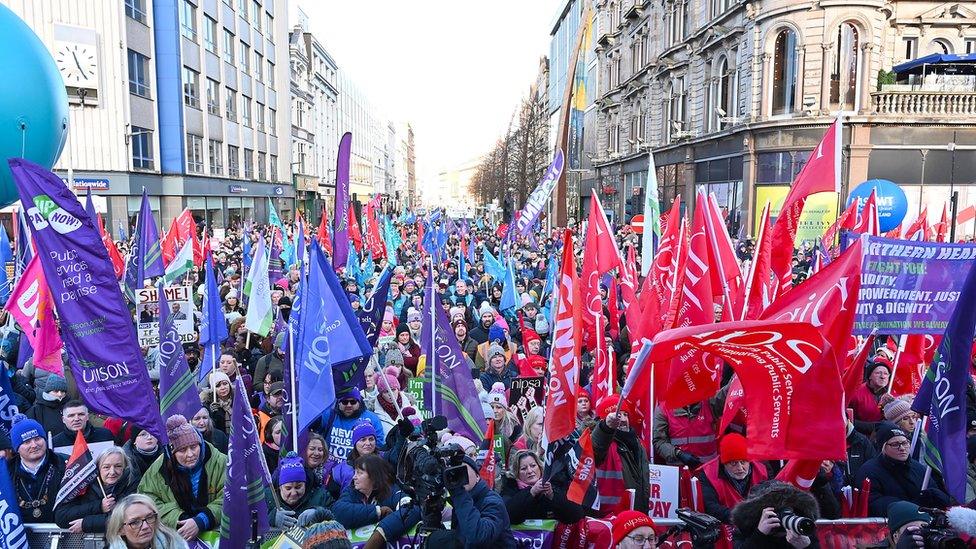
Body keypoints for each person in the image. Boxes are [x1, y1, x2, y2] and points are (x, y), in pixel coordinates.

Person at [139, 415, 227, 541]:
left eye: (194, 447)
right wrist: (179, 519)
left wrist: (202, 520)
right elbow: (147, 499)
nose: (190, 454)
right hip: (176, 535)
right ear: (172, 453)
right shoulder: (159, 468)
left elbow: (231, 496)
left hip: (218, 533)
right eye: (182, 450)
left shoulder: (220, 462)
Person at [855, 423, 951, 516]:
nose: (902, 448)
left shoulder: (918, 468)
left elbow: (935, 492)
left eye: (905, 443)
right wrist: (912, 506)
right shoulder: (869, 471)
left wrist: (937, 497)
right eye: (895, 444)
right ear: (883, 447)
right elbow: (873, 503)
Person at [56, 446, 142, 533]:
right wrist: (99, 506)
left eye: (118, 466)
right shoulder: (84, 483)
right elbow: (61, 517)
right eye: (106, 467)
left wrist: (86, 524)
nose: (112, 472)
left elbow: (128, 518)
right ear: (98, 468)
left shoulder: (132, 483)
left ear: (125, 467)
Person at [698, 433, 769, 539]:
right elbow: (711, 507)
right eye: (733, 463)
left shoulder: (763, 470)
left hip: (758, 527)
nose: (740, 468)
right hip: (724, 530)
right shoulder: (708, 474)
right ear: (724, 463)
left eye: (743, 462)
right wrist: (743, 517)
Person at [592, 395, 650, 515]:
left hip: (635, 514)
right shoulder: (603, 442)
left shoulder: (638, 444)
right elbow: (596, 449)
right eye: (618, 415)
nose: (623, 419)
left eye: (625, 414)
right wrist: (605, 429)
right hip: (608, 518)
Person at [7, 414, 66, 523]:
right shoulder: (6, 472)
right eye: (26, 442)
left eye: (37, 439)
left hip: (62, 533)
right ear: (17, 448)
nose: (34, 445)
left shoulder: (64, 463)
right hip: (21, 536)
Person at [500, 449, 585, 525]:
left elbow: (576, 515)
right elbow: (507, 515)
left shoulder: (556, 482)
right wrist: (531, 492)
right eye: (523, 469)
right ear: (516, 473)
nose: (530, 471)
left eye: (533, 466)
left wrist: (552, 495)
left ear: (540, 467)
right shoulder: (510, 487)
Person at [730, 480, 820, 548]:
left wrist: (807, 546)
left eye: (787, 509)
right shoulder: (746, 527)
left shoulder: (801, 525)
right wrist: (760, 534)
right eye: (777, 511)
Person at [268, 453, 336, 530]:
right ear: (280, 487)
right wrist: (271, 518)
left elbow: (337, 518)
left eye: (298, 487)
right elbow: (253, 520)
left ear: (305, 484)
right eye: (288, 488)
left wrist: (319, 513)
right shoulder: (267, 496)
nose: (293, 493)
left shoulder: (321, 497)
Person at [318, 387, 385, 464]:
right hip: (328, 470)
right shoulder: (329, 415)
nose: (349, 405)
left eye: (353, 402)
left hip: (359, 469)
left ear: (359, 402)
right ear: (338, 402)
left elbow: (379, 446)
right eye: (344, 402)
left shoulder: (372, 418)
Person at [105, 494, 188, 549]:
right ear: (120, 529)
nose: (145, 526)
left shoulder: (175, 543)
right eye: (135, 522)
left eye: (150, 517)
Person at [328, 422, 380, 497]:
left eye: (371, 439)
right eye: (363, 440)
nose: (368, 443)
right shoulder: (340, 471)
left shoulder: (385, 459)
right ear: (355, 443)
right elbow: (332, 499)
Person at [849, 359, 892, 435]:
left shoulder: (890, 394)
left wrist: (888, 406)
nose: (882, 377)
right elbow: (847, 419)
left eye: (886, 374)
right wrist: (873, 426)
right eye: (878, 373)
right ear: (869, 376)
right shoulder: (855, 394)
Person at [51, 399, 115, 448]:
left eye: (81, 414)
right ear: (63, 420)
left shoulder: (105, 435)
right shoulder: (55, 443)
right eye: (71, 416)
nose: (76, 419)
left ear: (87, 417)